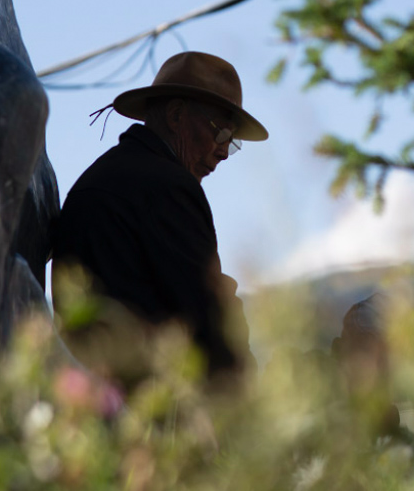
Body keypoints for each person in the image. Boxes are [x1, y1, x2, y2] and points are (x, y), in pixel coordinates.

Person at [51, 51, 268, 382]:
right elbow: (210, 321)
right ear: (177, 114)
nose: (223, 152)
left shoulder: (103, 175)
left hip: (94, 395)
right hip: (151, 407)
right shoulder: (169, 186)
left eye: (231, 141)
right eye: (220, 133)